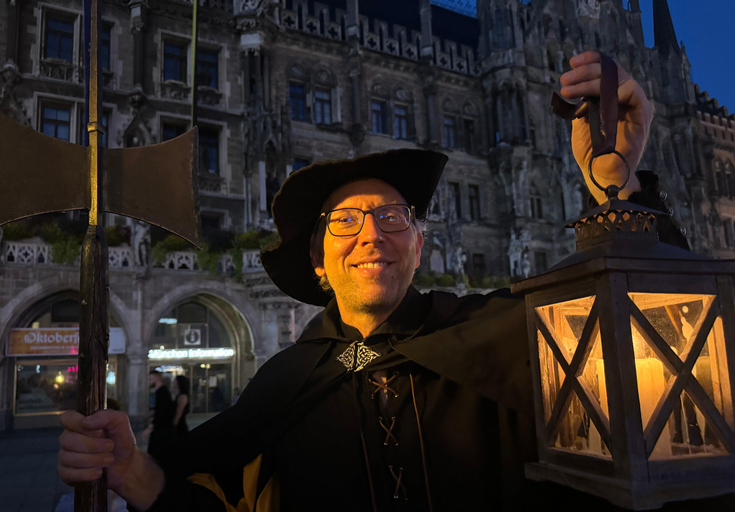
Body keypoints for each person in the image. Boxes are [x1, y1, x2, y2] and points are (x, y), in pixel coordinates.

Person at [56, 52, 729, 510]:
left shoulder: (501, 333)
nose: (371, 234)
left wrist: (618, 188)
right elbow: (204, 498)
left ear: (420, 245)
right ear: (318, 262)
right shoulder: (284, 384)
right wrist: (131, 469)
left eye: (392, 217)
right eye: (346, 221)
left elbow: (648, 326)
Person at [146, 371, 175, 464]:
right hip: (161, 427)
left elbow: (162, 412)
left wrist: (151, 426)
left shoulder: (162, 392)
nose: (149, 381)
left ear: (156, 379)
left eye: (151, 379)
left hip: (162, 428)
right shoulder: (158, 391)